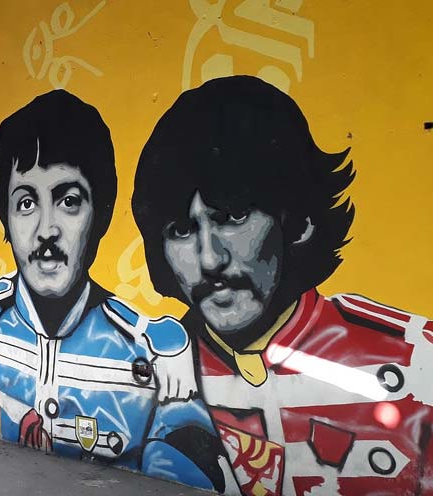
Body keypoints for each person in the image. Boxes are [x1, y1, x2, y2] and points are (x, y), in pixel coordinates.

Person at [132, 75, 433, 495]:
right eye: (181, 230)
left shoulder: (414, 358)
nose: (209, 259)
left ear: (298, 221)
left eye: (233, 217)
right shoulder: (146, 371)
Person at [0, 89, 226, 491]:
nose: (46, 230)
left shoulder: (154, 352)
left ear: (102, 213)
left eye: (68, 201)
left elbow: (190, 466)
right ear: (5, 216)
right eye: (26, 203)